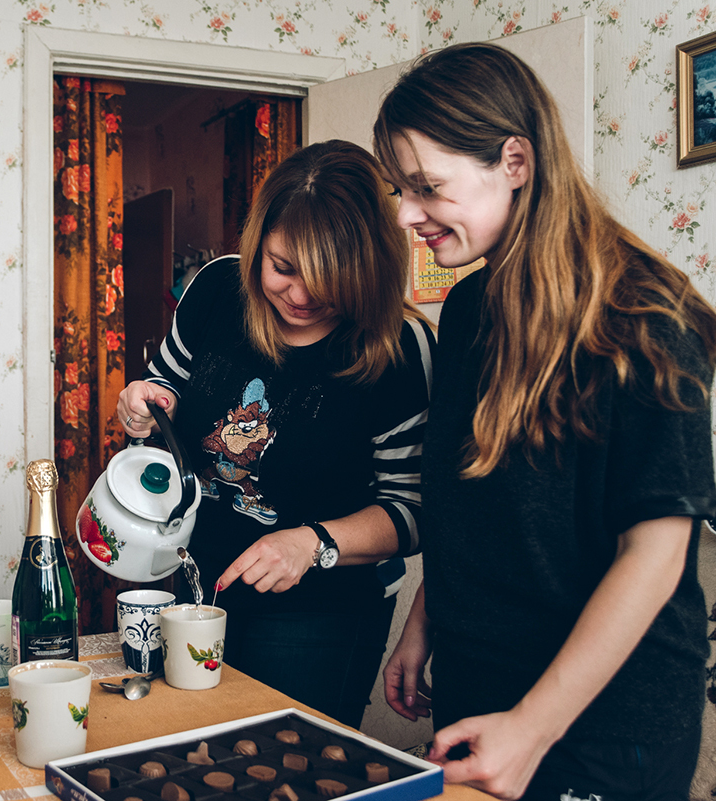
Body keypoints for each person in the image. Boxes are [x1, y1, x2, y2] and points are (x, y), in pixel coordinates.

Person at [374, 43, 716, 801]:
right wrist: (424, 620)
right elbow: (474, 494)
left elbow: (658, 552)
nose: (405, 214)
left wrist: (534, 723)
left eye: (426, 186)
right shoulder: (467, 308)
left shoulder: (644, 315)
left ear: (515, 161)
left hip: (605, 722)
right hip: (478, 683)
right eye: (401, 189)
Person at [116, 140, 435, 729]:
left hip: (320, 613)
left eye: (329, 277)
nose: (301, 295)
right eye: (283, 268)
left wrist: (309, 543)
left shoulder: (398, 348)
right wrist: (139, 406)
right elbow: (162, 390)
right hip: (195, 576)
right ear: (258, 243)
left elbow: (415, 511)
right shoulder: (216, 291)